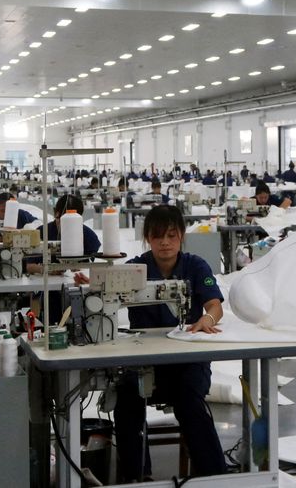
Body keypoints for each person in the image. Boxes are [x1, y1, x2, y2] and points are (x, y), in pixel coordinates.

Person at [97, 205, 227, 482]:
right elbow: (105, 290)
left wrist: (208, 319)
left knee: (191, 402)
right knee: (127, 400)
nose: (165, 242)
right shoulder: (134, 269)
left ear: (181, 235)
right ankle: (136, 478)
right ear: (148, 239)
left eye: (171, 235)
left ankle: (215, 478)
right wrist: (95, 285)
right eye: (157, 236)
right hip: (143, 362)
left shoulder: (196, 266)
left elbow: (215, 304)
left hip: (187, 361)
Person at [26, 195, 102, 321]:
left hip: (77, 288)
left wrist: (77, 268)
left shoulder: (88, 236)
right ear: (56, 214)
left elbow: (90, 266)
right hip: (50, 291)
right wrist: (48, 270)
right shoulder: (42, 232)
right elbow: (29, 266)